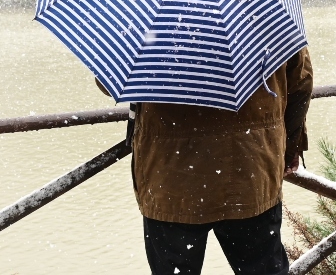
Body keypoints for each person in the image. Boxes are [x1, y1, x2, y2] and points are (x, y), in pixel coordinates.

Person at [99, 47, 314, 275]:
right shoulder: (269, 16)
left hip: (170, 179)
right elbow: (301, 83)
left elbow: (109, 79)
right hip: (251, 172)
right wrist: (289, 148)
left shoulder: (148, 21)